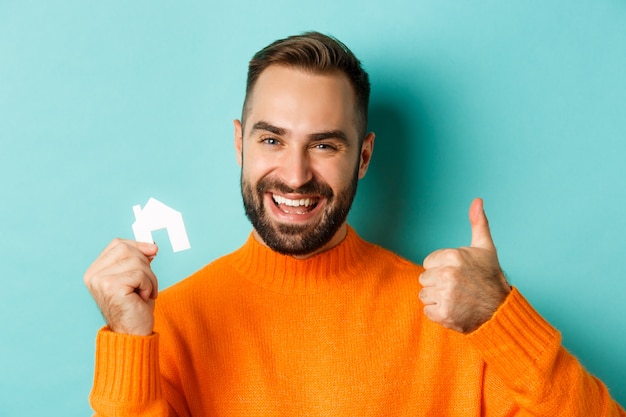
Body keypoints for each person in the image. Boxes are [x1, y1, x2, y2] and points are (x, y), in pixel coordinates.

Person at [84, 32, 625, 416]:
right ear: (238, 144)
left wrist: (501, 319)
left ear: (363, 158)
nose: (294, 176)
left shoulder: (455, 320)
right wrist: (130, 345)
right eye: (271, 139)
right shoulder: (170, 326)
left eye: (324, 145)